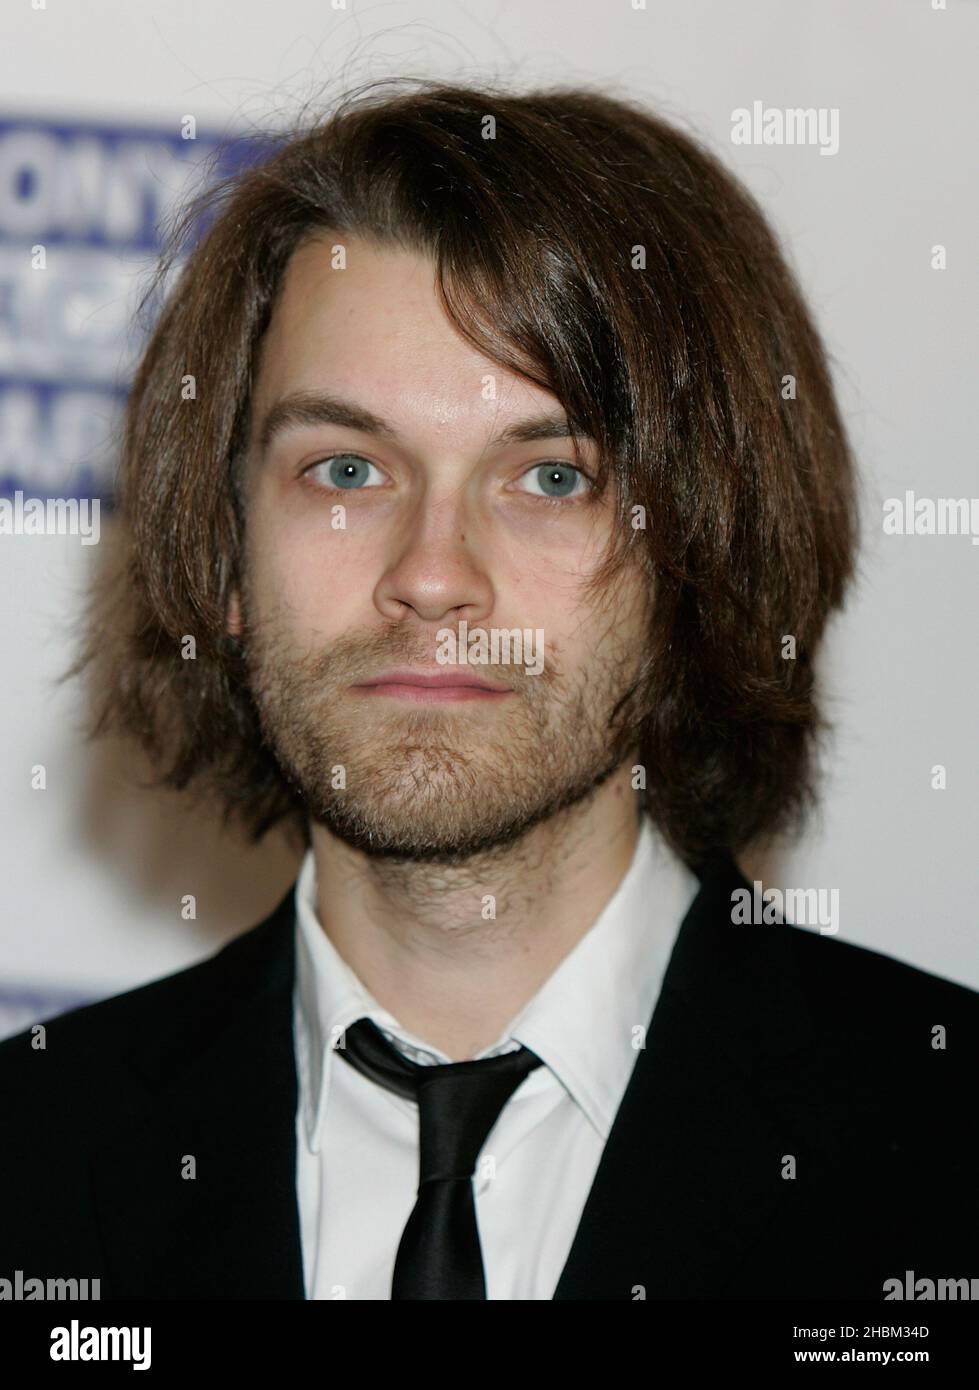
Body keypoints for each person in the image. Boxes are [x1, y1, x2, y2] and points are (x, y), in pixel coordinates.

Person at [1, 78, 975, 1301]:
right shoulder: (28, 1158)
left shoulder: (945, 1152)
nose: (431, 575)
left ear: (703, 554)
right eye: (346, 467)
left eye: (551, 478)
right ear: (223, 552)